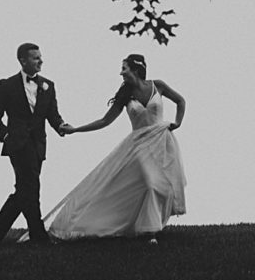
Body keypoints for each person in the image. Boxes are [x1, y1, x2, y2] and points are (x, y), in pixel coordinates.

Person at [31, 54, 186, 243]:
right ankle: (149, 233)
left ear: (136, 70)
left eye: (124, 68)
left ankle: (149, 226)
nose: (121, 72)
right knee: (150, 182)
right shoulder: (125, 95)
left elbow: (180, 101)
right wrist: (76, 130)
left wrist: (177, 123)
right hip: (139, 145)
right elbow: (105, 121)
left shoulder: (158, 85)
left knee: (163, 185)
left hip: (162, 141)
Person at [0, 42, 67, 245]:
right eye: (36, 58)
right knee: (31, 186)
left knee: (25, 191)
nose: (40, 61)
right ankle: (39, 236)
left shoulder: (48, 86)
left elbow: (53, 115)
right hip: (17, 145)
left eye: (40, 57)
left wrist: (62, 126)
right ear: (22, 60)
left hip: (39, 146)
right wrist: (6, 137)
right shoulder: (6, 85)